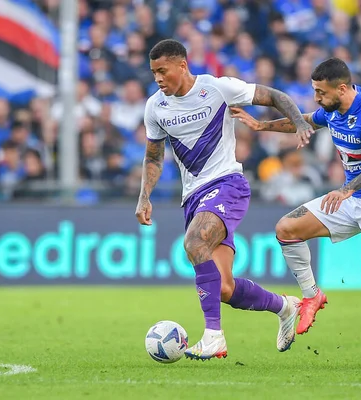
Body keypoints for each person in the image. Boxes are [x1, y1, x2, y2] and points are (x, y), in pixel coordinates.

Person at [231, 58, 361, 363]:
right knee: (286, 229)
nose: (317, 97)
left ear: (341, 88)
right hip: (349, 199)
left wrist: (347, 189)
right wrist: (261, 125)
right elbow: (305, 120)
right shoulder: (333, 109)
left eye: (321, 92)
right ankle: (311, 295)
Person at [134, 39, 315, 360]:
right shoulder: (155, 107)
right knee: (223, 288)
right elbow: (153, 156)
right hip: (193, 197)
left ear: (182, 66)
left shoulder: (217, 88)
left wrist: (300, 122)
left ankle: (214, 336)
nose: (158, 78)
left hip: (227, 184)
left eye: (163, 71)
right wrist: (144, 196)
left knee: (193, 244)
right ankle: (286, 306)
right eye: (153, 73)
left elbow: (274, 96)